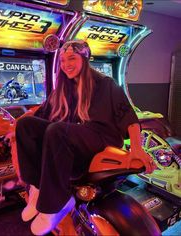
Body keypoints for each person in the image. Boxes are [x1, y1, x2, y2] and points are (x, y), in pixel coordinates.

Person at [15, 40, 156, 235]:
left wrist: (137, 149)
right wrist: (19, 122)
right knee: (25, 126)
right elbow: (41, 114)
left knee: (57, 130)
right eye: (63, 60)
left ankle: (56, 204)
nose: (66, 65)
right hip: (75, 136)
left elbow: (128, 117)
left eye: (72, 58)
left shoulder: (105, 84)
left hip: (101, 137)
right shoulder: (64, 89)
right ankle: (37, 190)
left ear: (85, 58)